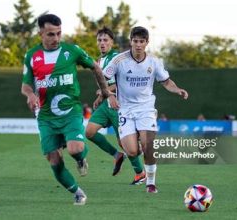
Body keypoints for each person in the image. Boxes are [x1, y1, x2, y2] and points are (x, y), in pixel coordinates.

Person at [21, 14, 115, 205]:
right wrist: (30, 94)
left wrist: (105, 91)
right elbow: (26, 85)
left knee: (75, 149)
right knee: (54, 161)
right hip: (46, 117)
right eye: (50, 34)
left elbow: (96, 67)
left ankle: (81, 159)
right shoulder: (31, 56)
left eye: (59, 33)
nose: (56, 38)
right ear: (40, 33)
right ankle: (78, 192)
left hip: (70, 111)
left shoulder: (72, 51)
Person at [103, 26, 189, 193]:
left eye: (142, 41)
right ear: (131, 42)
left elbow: (166, 81)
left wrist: (178, 89)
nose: (138, 45)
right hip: (125, 109)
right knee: (133, 151)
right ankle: (134, 145)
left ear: (147, 43)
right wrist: (109, 95)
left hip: (146, 109)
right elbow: (102, 77)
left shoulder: (154, 62)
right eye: (135, 41)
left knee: (149, 146)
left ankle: (150, 183)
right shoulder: (119, 60)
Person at [85, 27, 145, 182]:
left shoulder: (119, 58)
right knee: (89, 132)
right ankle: (116, 155)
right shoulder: (98, 60)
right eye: (99, 40)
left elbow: (126, 82)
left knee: (125, 143)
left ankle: (140, 172)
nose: (102, 43)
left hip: (120, 105)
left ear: (112, 42)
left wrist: (104, 91)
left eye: (105, 40)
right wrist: (101, 97)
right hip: (106, 104)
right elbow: (104, 84)